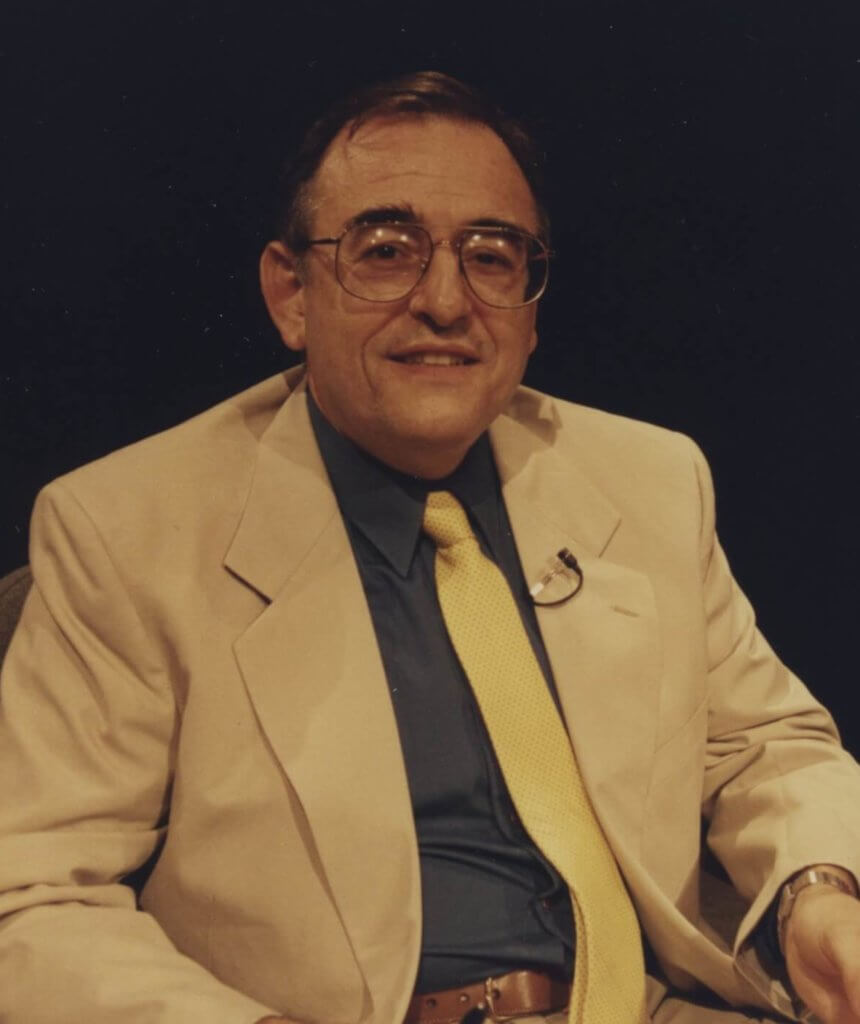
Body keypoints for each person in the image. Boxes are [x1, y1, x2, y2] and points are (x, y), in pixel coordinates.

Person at [1, 71, 859, 1024]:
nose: (446, 301)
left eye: (491, 257)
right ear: (291, 292)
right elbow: (33, 898)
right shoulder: (124, 529)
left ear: (532, 306)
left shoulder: (650, 478)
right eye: (386, 251)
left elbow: (762, 745)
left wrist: (819, 891)